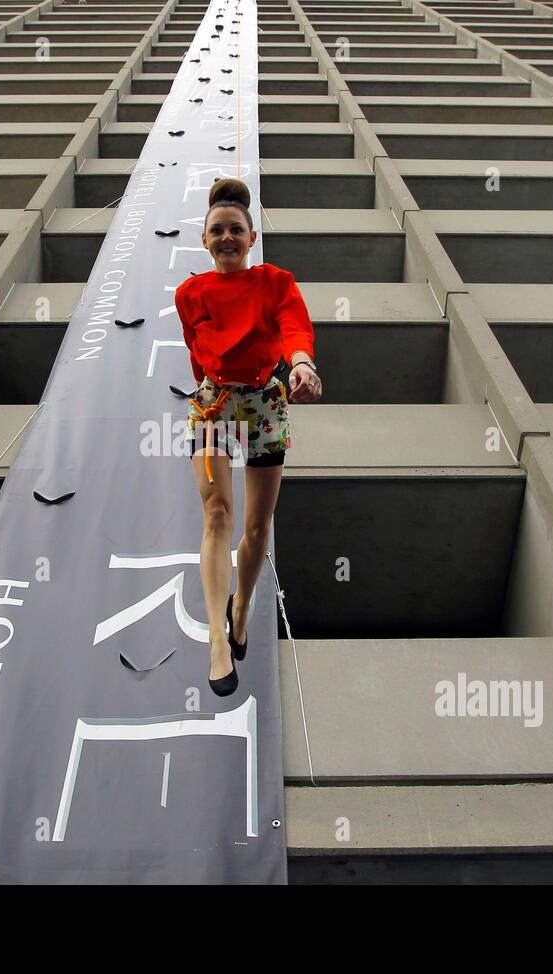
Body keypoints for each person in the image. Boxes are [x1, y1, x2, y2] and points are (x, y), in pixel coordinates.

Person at [175, 177, 322, 697]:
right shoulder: (189, 294)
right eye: (217, 231)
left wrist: (301, 363)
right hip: (214, 401)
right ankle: (218, 638)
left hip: (264, 402)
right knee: (216, 514)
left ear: (252, 237)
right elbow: (197, 351)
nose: (226, 238)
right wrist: (210, 386)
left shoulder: (274, 282)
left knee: (257, 529)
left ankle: (242, 605)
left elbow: (293, 326)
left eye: (236, 229)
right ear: (205, 240)